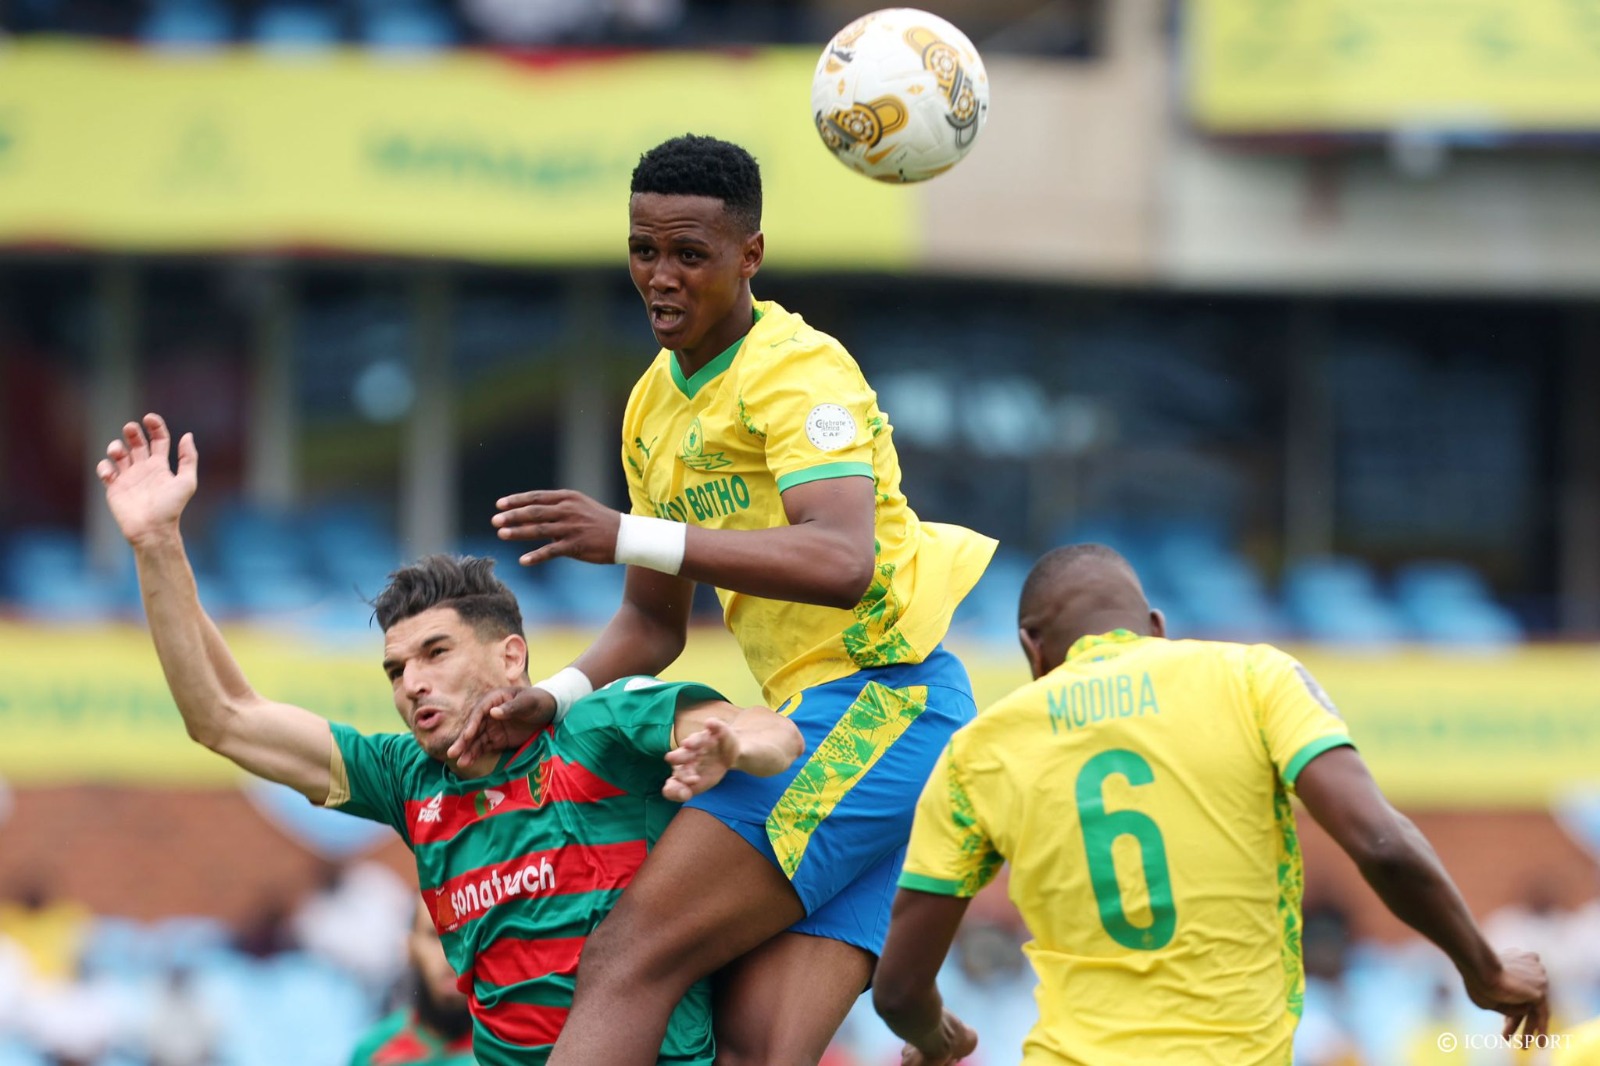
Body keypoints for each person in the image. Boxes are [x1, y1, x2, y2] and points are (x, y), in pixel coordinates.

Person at [450, 133, 997, 1064]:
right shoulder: (649, 409)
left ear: (750, 255)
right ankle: (939, 1046)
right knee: (754, 1042)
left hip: (885, 701)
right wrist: (558, 695)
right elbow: (650, 624)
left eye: (689, 254)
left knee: (629, 954)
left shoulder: (799, 371)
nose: (661, 277)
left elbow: (842, 559)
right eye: (643, 250)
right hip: (837, 723)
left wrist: (627, 533)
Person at [94, 412, 803, 1066]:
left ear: (511, 657)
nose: (412, 684)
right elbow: (222, 717)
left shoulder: (600, 727)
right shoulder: (406, 778)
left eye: (436, 653)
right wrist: (157, 544)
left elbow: (775, 732)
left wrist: (730, 747)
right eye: (397, 670)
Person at [871, 543, 1551, 1065]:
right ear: (1156, 627)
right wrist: (1483, 969)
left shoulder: (979, 750)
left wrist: (937, 1036)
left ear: (1031, 646)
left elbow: (899, 990)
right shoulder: (1254, 677)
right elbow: (1381, 844)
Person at [348, 904, 476, 1066]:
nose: (448, 955)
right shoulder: (372, 1053)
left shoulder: (502, 1050)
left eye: (465, 935)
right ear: (410, 948)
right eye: (434, 935)